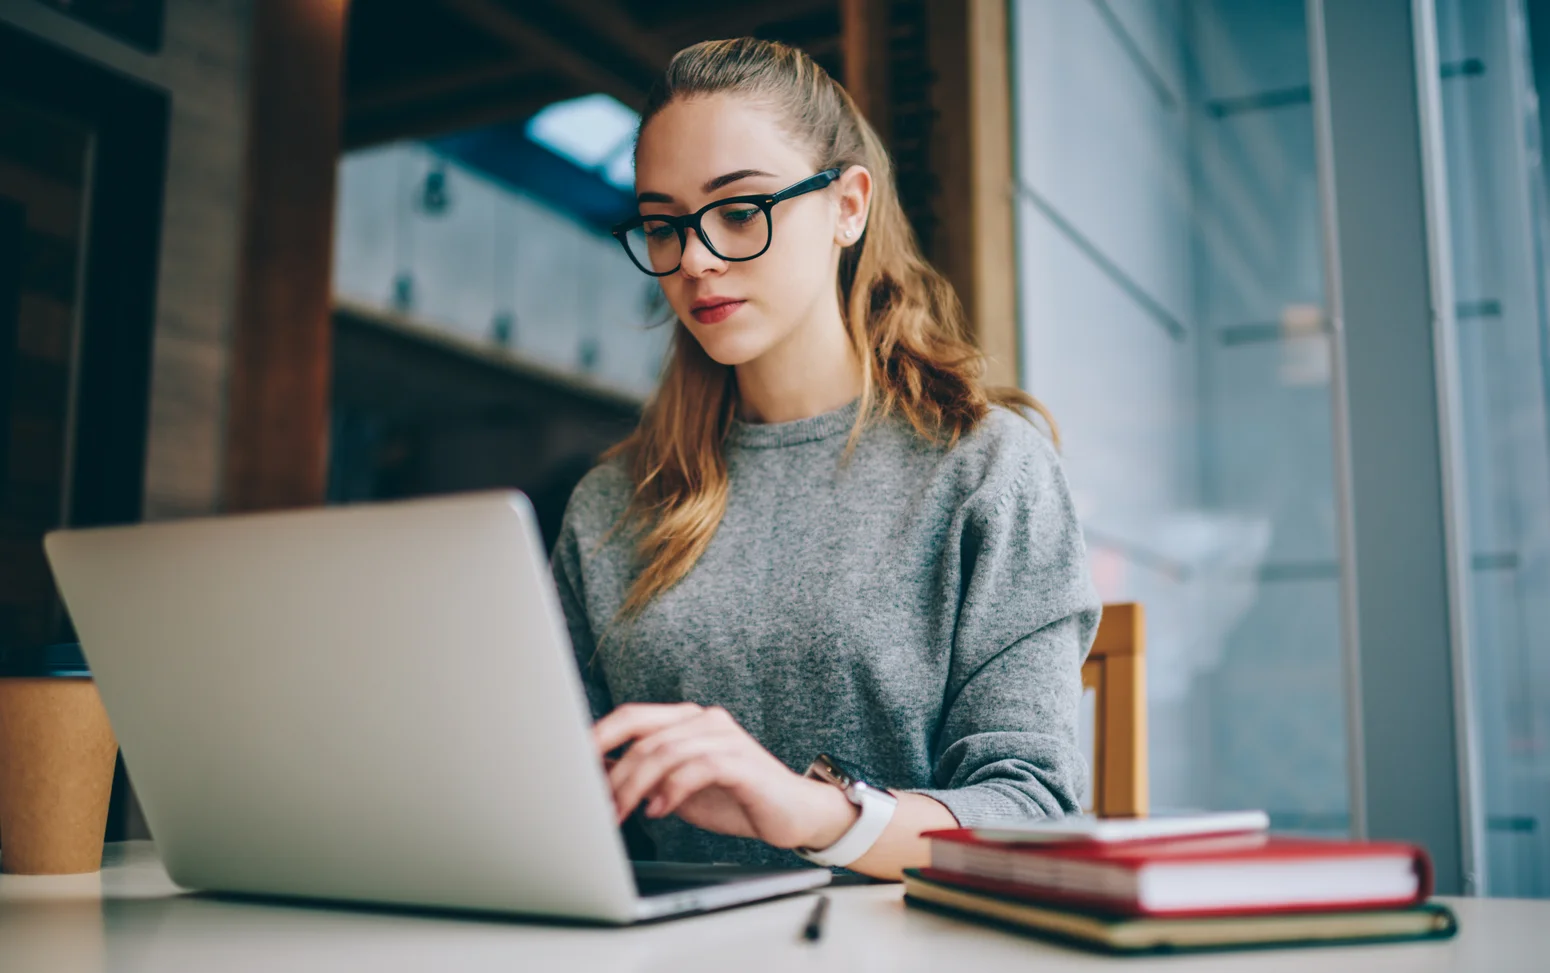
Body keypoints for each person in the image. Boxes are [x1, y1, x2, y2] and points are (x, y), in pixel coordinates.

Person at [550, 37, 1100, 882]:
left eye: (739, 210)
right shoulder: (611, 504)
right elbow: (561, 800)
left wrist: (808, 810)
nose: (694, 259)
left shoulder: (985, 470)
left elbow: (1031, 812)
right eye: (663, 225)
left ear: (848, 206)